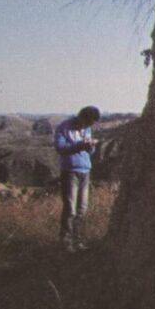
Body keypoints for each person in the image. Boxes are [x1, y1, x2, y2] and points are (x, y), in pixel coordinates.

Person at [54, 105, 101, 252]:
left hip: (85, 170)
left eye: (90, 125)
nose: (87, 127)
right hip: (70, 172)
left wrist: (91, 146)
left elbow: (90, 152)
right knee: (70, 209)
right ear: (81, 117)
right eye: (87, 123)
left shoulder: (86, 129)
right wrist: (81, 144)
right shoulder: (64, 127)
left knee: (82, 209)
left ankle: (78, 240)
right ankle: (66, 243)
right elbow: (60, 148)